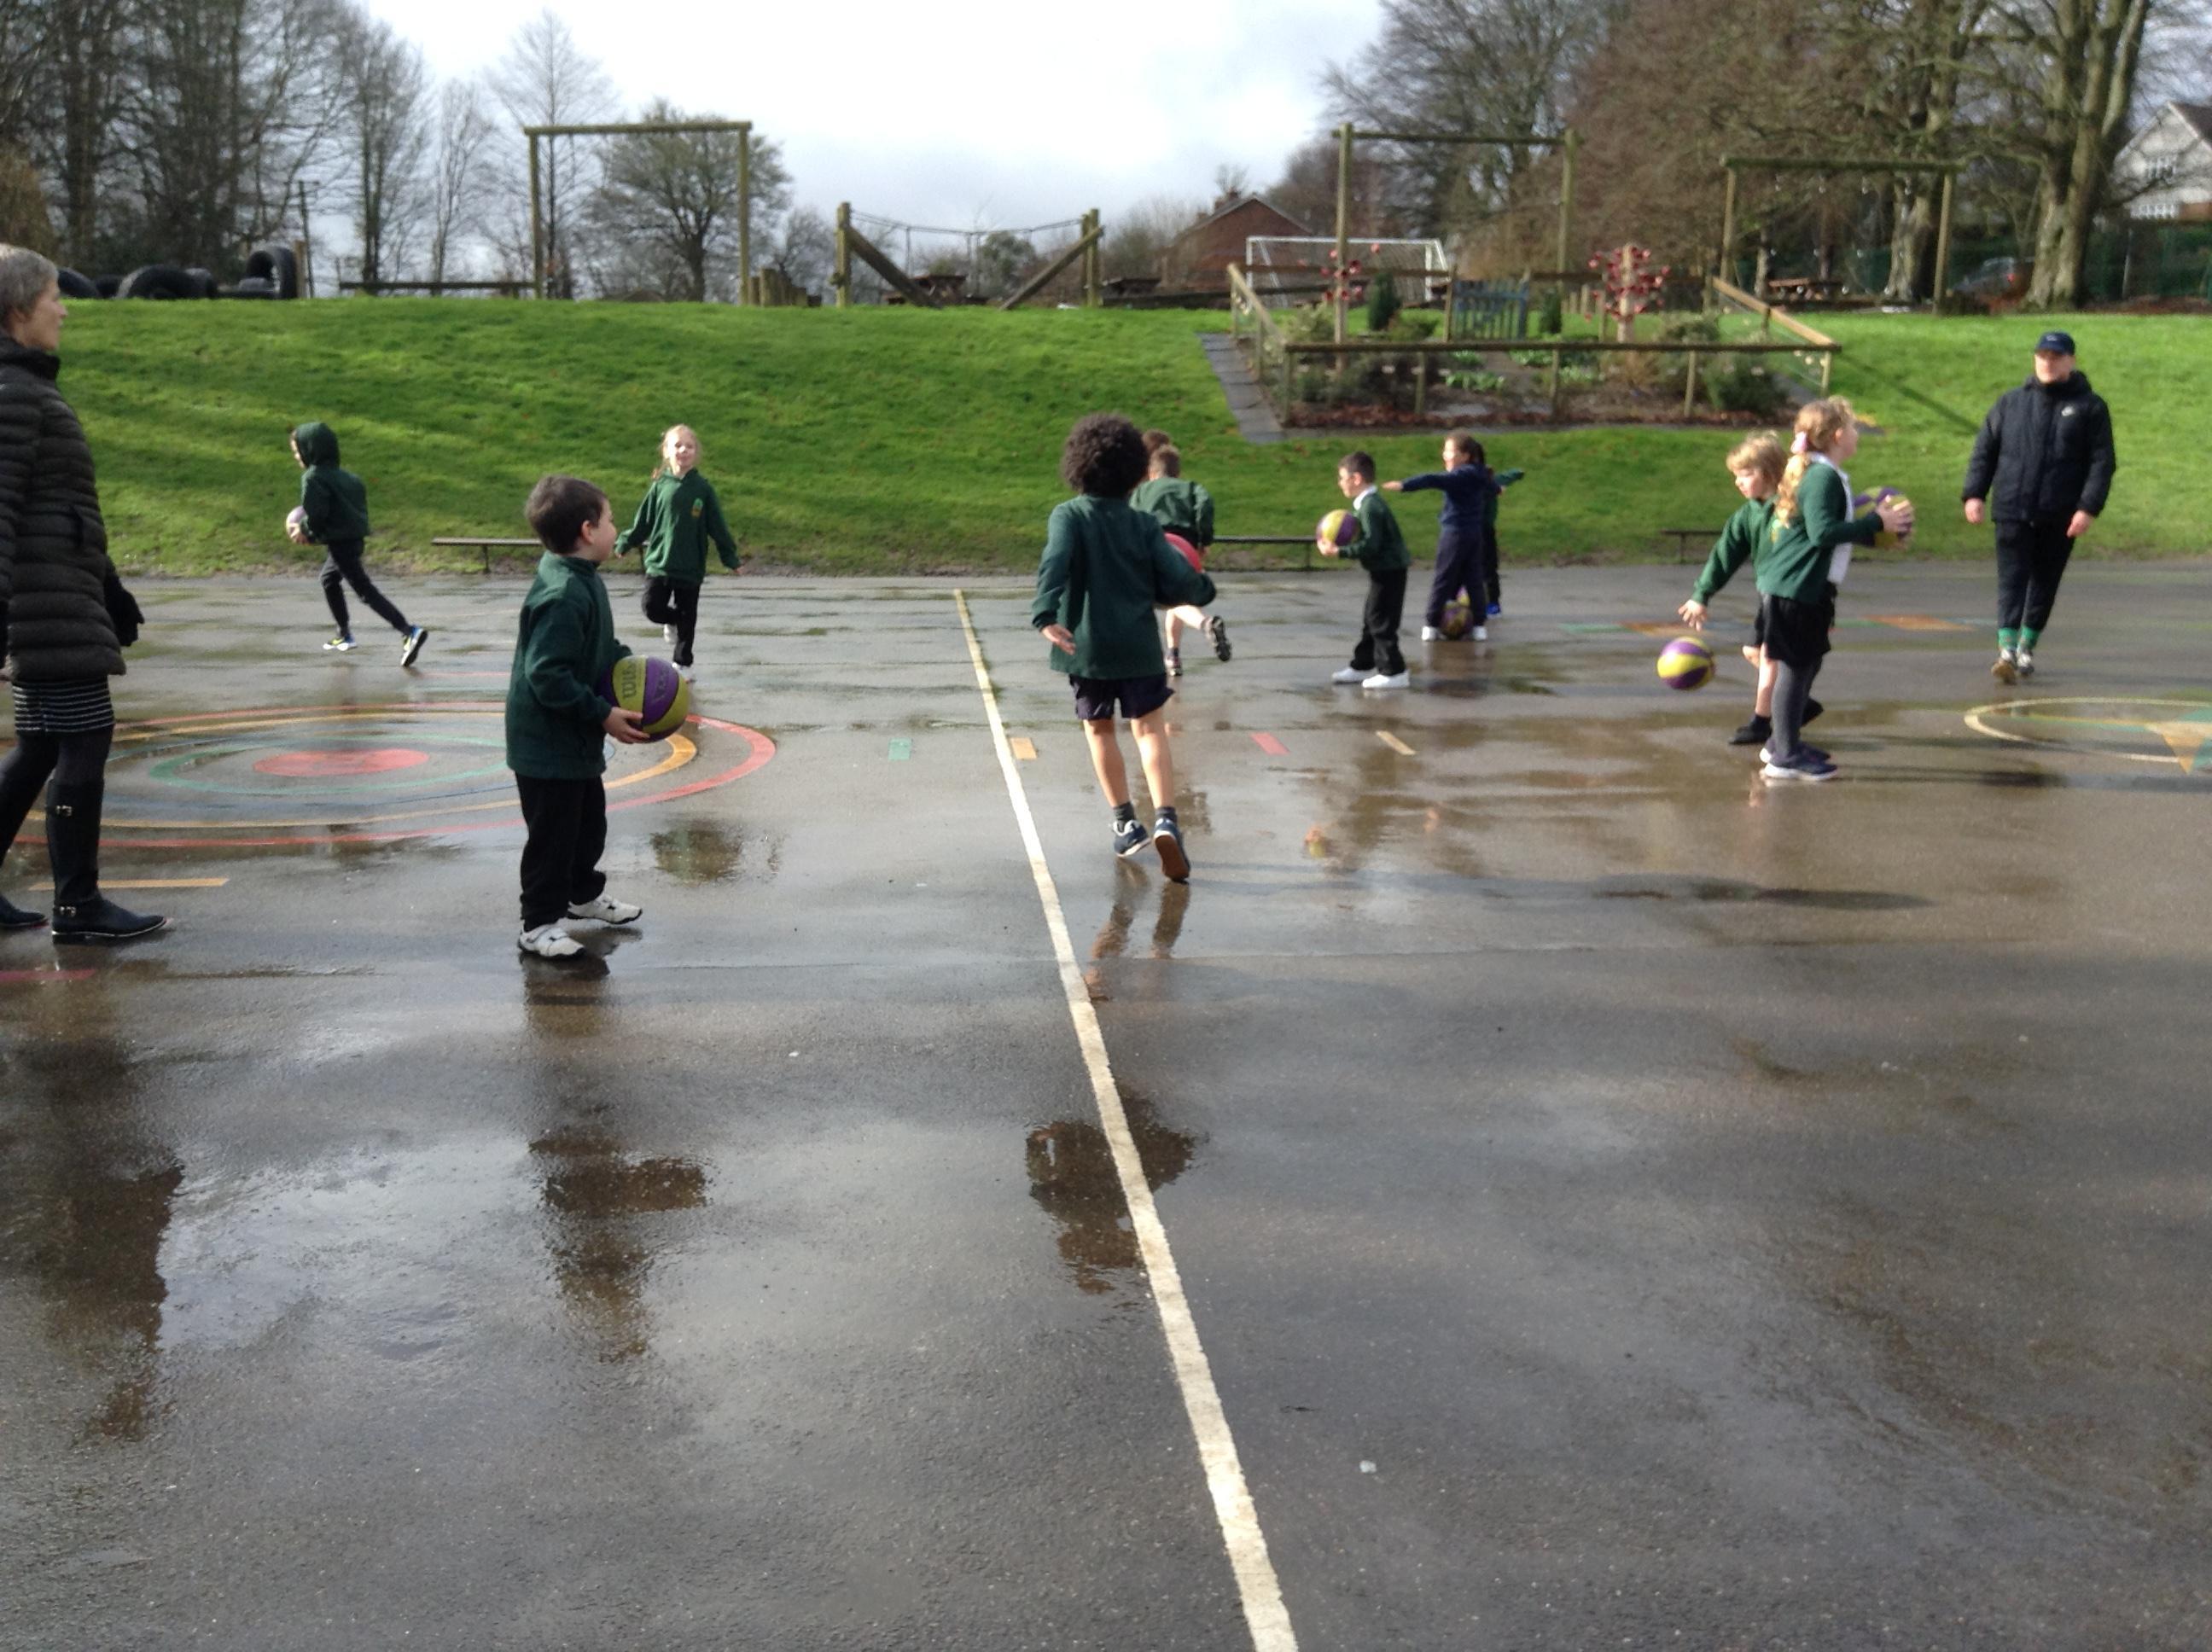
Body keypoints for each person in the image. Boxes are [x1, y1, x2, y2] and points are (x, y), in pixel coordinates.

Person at [0, 246, 165, 941]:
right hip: (44, 605)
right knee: (84, 736)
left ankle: (75, 900)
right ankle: (78, 904)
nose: (63, 310)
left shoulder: (26, 387)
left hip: (57, 596)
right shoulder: (14, 393)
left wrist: (109, 588)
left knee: (41, 743)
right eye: (52, 299)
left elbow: (63, 508)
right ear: (18, 310)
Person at [1033, 414, 1215, 881]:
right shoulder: (1144, 524)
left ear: (1078, 465)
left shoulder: (1068, 516)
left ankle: (1125, 822)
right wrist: (1202, 587)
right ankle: (1167, 819)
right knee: (1149, 729)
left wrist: (1045, 615)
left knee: (1099, 730)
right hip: (1138, 645)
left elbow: (1054, 564)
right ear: (1135, 472)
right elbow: (1176, 579)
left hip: (1087, 645)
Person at [507, 474, 652, 960]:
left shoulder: (581, 577)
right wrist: (603, 713)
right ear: (588, 532)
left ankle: (581, 895)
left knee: (588, 825)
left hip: (571, 742)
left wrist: (631, 667)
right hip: (545, 746)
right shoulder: (563, 593)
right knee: (552, 838)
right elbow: (546, 674)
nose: (616, 529)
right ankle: (537, 925)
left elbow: (598, 645)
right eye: (610, 521)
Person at [1750, 398, 1912, 782]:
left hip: (1807, 587)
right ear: (1838, 435)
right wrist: (1875, 522)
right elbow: (1822, 533)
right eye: (1854, 428)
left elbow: (1827, 532)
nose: (1857, 435)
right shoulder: (1822, 477)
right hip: (1796, 588)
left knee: (1807, 664)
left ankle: (1781, 742)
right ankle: (1784, 757)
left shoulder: (1824, 473)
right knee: (1796, 669)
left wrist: (1879, 533)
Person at [1961, 329, 2115, 682]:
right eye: (2043, 356)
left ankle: (2027, 646)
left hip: (2060, 512)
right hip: (2012, 506)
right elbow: (1985, 451)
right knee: (2011, 579)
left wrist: (2088, 508)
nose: (2048, 362)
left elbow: (2102, 463)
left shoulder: (2090, 408)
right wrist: (1974, 494)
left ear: (2071, 361)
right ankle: (2006, 650)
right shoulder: (2010, 403)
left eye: (2056, 357)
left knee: (2045, 581)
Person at [1677, 433, 1822, 747]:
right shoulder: (1747, 515)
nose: (1738, 482)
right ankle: (1796, 701)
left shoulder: (1791, 508)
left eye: (1745, 474)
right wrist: (1701, 594)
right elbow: (1724, 556)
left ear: (1768, 473)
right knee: (1754, 651)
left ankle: (1761, 722)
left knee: (1769, 657)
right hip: (1769, 594)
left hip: (1793, 594)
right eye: (1736, 475)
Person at [287, 422, 428, 666]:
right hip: (354, 540)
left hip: (340, 544)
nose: (297, 457)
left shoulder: (313, 478)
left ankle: (409, 631)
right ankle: (344, 633)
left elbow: (318, 514)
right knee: (328, 579)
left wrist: (305, 531)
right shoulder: (350, 478)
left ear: (311, 449)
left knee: (365, 592)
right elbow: (349, 512)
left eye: (298, 451)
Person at [616, 423, 739, 677]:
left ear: (696, 452)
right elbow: (644, 521)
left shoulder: (703, 489)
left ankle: (683, 663)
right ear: (666, 451)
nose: (684, 450)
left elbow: (717, 526)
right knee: (651, 607)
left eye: (689, 446)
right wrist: (626, 542)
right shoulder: (660, 486)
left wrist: (730, 558)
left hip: (690, 566)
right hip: (660, 562)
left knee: (688, 615)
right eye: (678, 445)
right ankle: (671, 620)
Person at [1383, 431, 1502, 642]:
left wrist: (1404, 485)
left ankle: (1431, 625)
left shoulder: (1459, 476)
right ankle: (1479, 627)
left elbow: (1432, 479)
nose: (1445, 455)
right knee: (1474, 579)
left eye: (1449, 451)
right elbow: (1492, 487)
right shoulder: (1480, 473)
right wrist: (1498, 488)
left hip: (1454, 534)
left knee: (1443, 578)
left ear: (1464, 456)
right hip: (1474, 534)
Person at [1130, 442, 1228, 676]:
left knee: (1169, 601)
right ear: (1178, 472)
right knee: (1177, 596)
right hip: (1185, 546)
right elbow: (1205, 505)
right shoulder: (1192, 487)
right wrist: (1204, 540)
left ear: (1152, 472)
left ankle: (1204, 624)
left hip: (1156, 544)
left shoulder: (1142, 491)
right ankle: (1173, 654)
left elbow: (1130, 518)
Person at [1318, 451, 1411, 689]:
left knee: (1381, 621)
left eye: (1342, 478)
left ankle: (1394, 671)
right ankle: (1362, 665)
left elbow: (1371, 545)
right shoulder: (1367, 504)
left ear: (1356, 479)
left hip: (1390, 571)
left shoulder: (1370, 507)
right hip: (1383, 570)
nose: (1340, 483)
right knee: (1371, 618)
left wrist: (1339, 552)